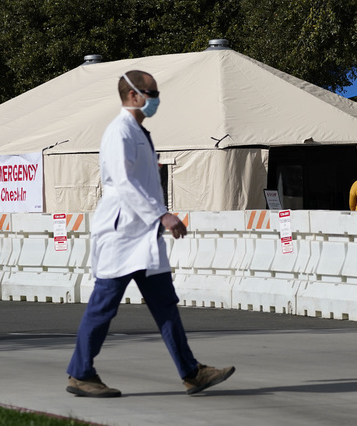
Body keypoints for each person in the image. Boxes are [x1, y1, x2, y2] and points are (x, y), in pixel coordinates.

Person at [66, 70, 235, 398]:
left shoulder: (139, 132)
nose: (156, 98)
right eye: (151, 92)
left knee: (165, 304)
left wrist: (160, 219)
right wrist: (163, 215)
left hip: (143, 235)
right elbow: (123, 183)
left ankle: (191, 372)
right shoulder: (119, 132)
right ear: (133, 95)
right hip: (120, 235)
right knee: (103, 306)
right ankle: (80, 373)